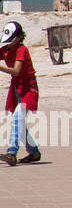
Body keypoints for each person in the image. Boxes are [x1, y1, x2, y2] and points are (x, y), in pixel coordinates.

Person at [0, 23, 40, 166]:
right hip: (17, 88)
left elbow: (16, 71)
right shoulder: (6, 49)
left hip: (28, 87)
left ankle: (12, 152)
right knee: (20, 121)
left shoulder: (22, 50)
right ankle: (34, 152)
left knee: (18, 118)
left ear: (18, 38)